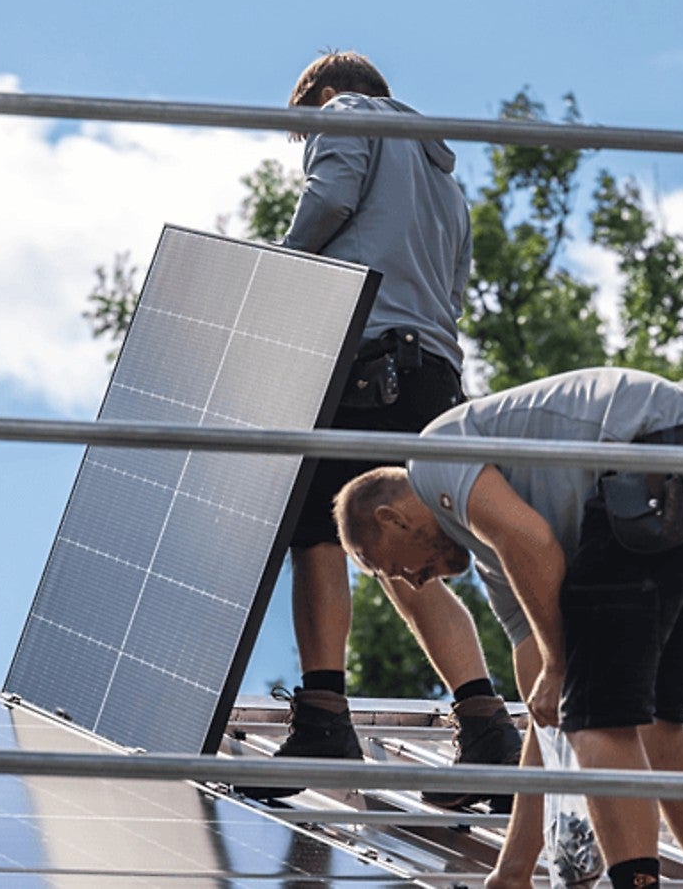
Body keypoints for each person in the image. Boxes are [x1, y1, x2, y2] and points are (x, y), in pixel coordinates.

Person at [333, 367, 683, 889]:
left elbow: (531, 545)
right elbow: (547, 713)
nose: (413, 582)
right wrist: (514, 870)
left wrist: (558, 666)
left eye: (391, 568)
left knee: (600, 719)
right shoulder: (497, 557)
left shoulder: (434, 458)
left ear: (392, 519)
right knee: (656, 718)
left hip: (657, 476)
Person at [246, 51, 520, 808]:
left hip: (366, 364)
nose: (308, 146)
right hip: (431, 377)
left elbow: (330, 199)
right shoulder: (445, 181)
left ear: (325, 99)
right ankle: (486, 723)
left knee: (318, 534)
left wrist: (278, 273)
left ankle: (326, 716)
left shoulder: (344, 116)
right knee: (413, 552)